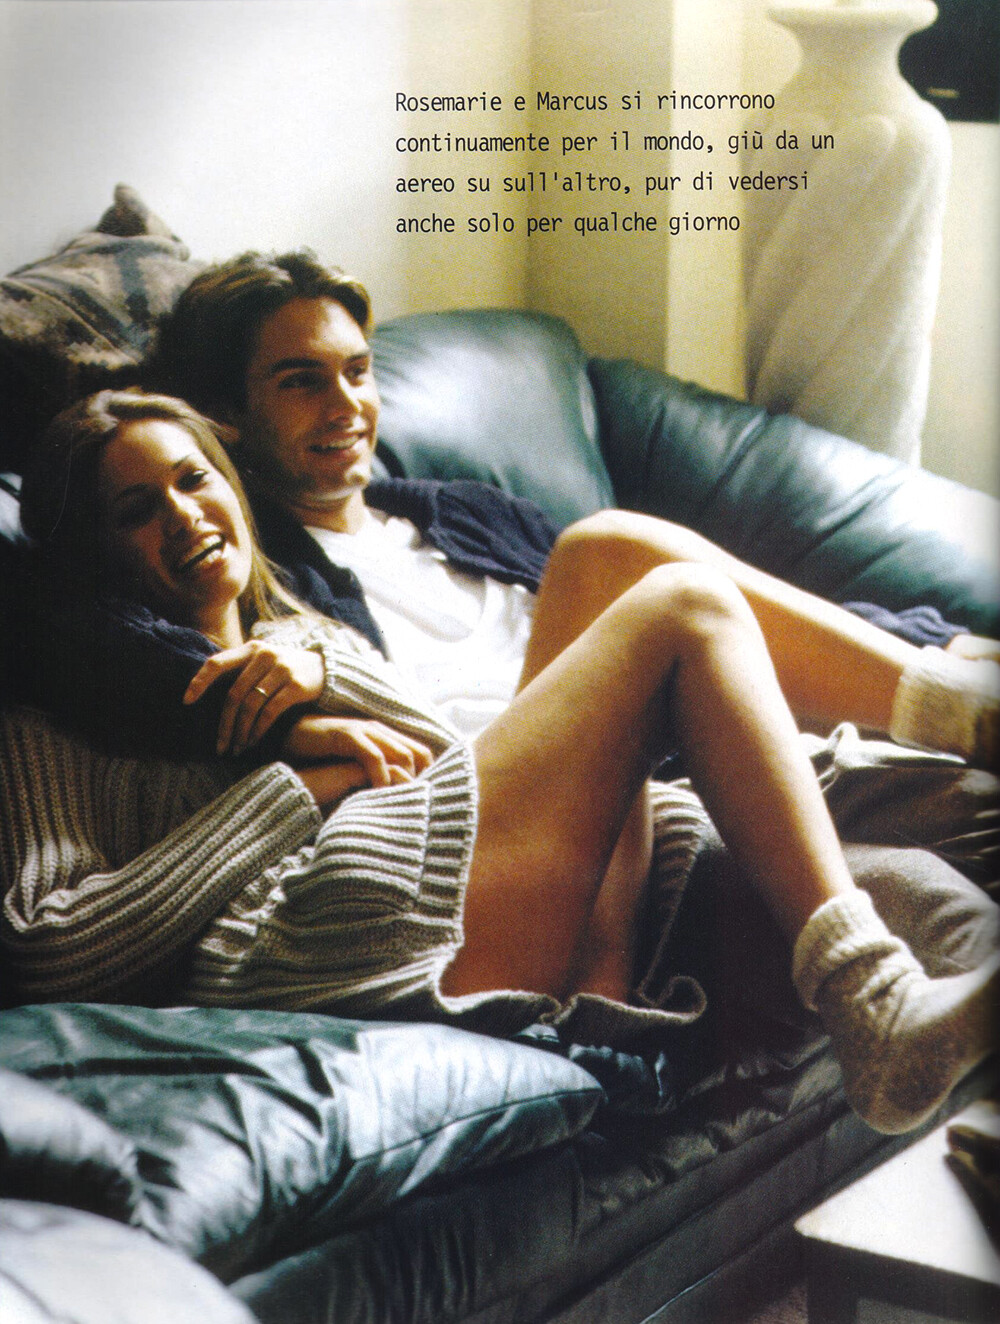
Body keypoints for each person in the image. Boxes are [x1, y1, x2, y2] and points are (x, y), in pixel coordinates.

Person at [3, 388, 998, 1138]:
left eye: (193, 479)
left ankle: (903, 1029)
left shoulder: (315, 638)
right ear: (91, 552)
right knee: (678, 605)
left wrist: (317, 674)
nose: (183, 515)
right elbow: (47, 947)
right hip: (342, 930)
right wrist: (292, 790)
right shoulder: (57, 727)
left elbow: (450, 764)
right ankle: (875, 991)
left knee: (919, 889)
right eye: (135, 509)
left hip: (496, 892)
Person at [138, 248, 999, 769]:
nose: (347, 407)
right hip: (536, 794)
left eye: (358, 372)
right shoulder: (245, 576)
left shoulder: (462, 510)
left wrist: (930, 637)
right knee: (610, 552)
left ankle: (954, 688)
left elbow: (725, 614)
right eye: (302, 383)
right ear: (224, 414)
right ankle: (961, 707)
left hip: (677, 734)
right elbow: (112, 655)